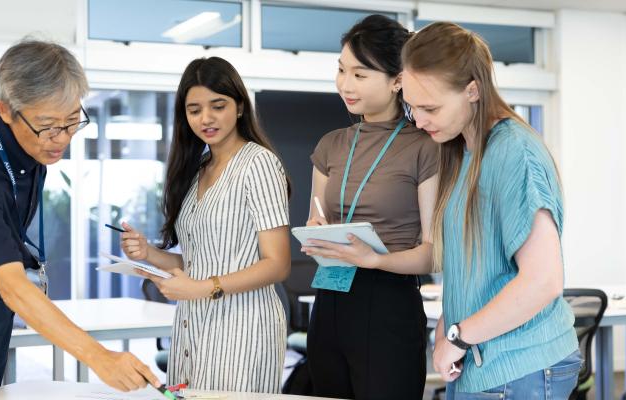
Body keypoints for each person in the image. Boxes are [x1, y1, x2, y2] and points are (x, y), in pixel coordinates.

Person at [0, 39, 159, 400]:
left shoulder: (30, 133)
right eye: (49, 127)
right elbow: (12, 285)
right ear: (5, 110)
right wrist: (100, 358)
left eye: (72, 122)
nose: (62, 139)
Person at [401, 22, 581, 399]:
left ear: (473, 90)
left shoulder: (515, 153)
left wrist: (460, 336)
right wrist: (450, 324)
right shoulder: (459, 152)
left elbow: (543, 281)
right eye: (411, 105)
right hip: (482, 363)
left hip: (521, 365)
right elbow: (474, 265)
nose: (418, 120)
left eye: (430, 107)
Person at [119, 56, 291, 393]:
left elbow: (278, 264)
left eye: (218, 105)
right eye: (194, 109)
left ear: (240, 107)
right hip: (192, 321)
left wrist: (202, 288)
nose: (206, 118)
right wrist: (150, 254)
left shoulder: (258, 163)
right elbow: (203, 261)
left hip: (244, 326)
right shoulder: (197, 168)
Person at [300, 15, 438, 399]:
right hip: (329, 301)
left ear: (398, 80)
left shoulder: (425, 147)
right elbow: (319, 216)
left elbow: (434, 253)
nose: (345, 84)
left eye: (360, 75)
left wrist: (374, 259)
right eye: (341, 70)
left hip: (388, 302)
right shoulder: (331, 144)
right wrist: (316, 233)